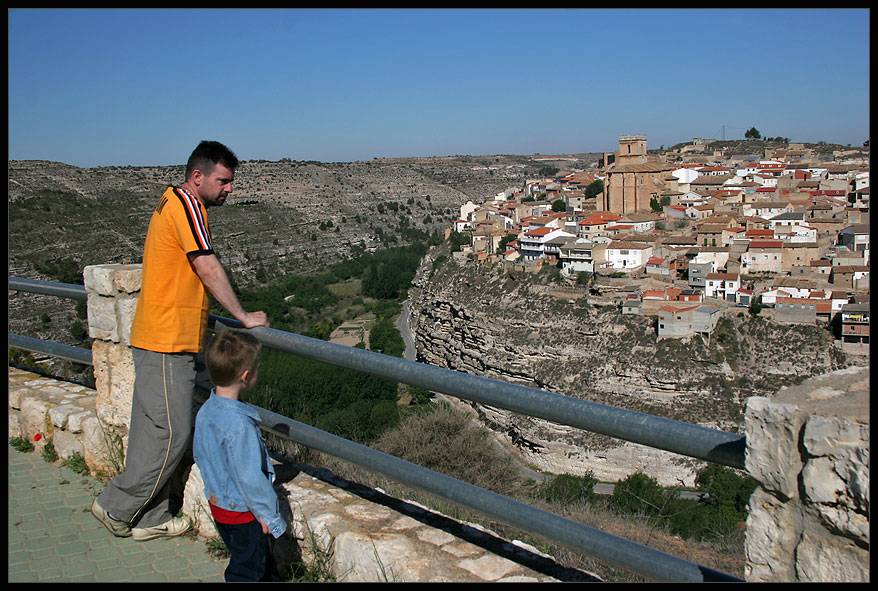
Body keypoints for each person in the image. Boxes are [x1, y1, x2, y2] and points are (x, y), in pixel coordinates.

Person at [91, 140, 269, 542]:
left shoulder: (171, 201)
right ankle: (116, 507)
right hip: (167, 340)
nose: (230, 189)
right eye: (224, 181)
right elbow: (205, 263)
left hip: (158, 334)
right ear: (198, 177)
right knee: (172, 434)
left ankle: (151, 517)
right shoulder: (187, 205)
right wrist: (242, 316)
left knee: (150, 431)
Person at [193, 330, 287, 582]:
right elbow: (249, 478)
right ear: (246, 376)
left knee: (254, 563)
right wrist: (269, 516)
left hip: (220, 506)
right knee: (247, 571)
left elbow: (201, 456)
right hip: (245, 514)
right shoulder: (239, 426)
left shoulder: (206, 411)